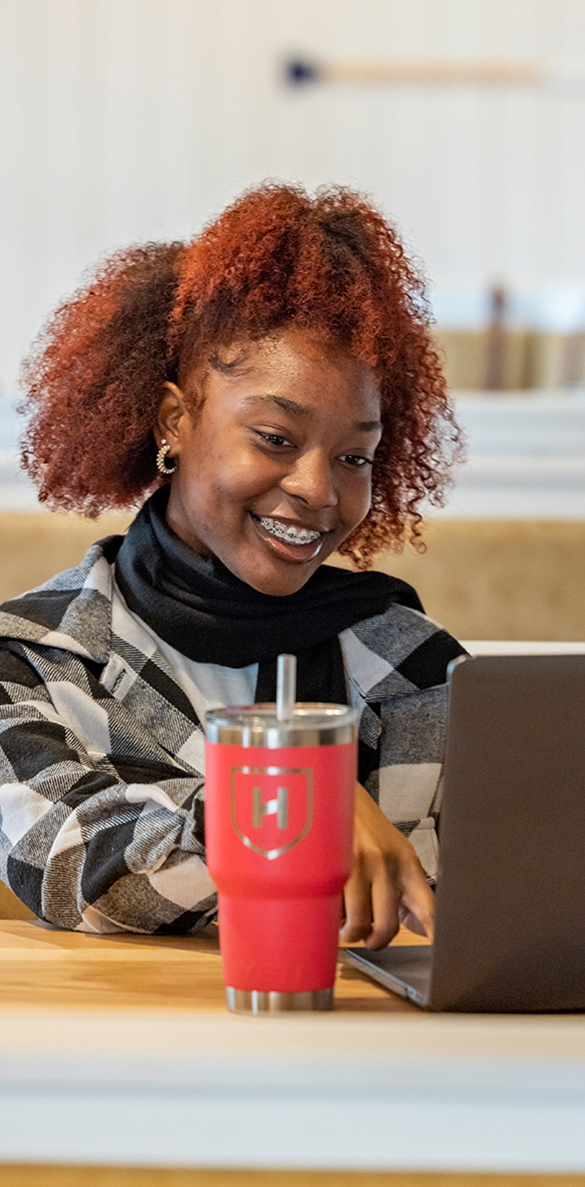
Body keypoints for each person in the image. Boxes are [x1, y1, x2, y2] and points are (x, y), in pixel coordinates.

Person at [0, 182, 463, 946]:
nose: (318, 488)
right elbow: (73, 869)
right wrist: (285, 803)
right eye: (276, 438)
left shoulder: (413, 670)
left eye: (354, 456)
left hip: (375, 1056)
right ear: (175, 421)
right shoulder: (35, 661)